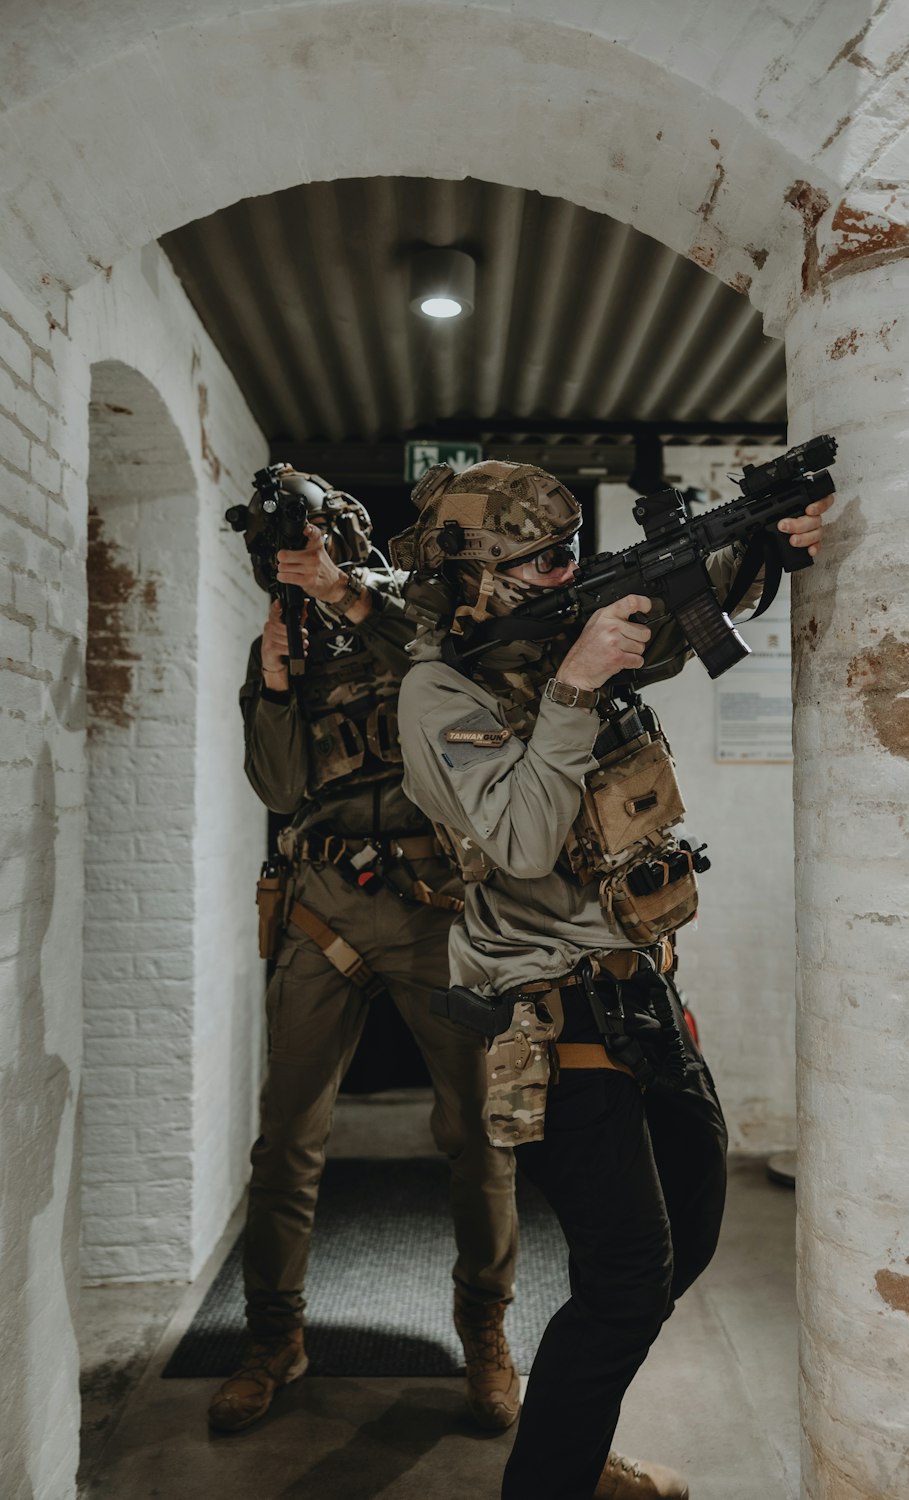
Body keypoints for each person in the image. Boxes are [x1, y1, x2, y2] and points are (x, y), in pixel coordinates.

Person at [392, 459, 832, 1500]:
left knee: (681, 1245)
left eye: (565, 556)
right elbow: (522, 837)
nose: (561, 576)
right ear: (475, 579)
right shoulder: (438, 691)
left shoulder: (550, 632)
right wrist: (578, 682)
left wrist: (764, 543)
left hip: (643, 993)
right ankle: (554, 1479)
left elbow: (683, 612)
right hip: (552, 1021)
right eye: (535, 564)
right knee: (629, 1276)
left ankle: (572, 1444)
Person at [208, 466, 519, 1435]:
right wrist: (269, 683)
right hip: (325, 903)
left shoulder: (414, 603)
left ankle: (485, 1332)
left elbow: (451, 668)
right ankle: (274, 1337)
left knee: (479, 1130)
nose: (296, 561)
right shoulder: (287, 639)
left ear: (346, 540)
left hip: (435, 902)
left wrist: (345, 591)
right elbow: (276, 785)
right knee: (287, 1139)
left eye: (312, 545)